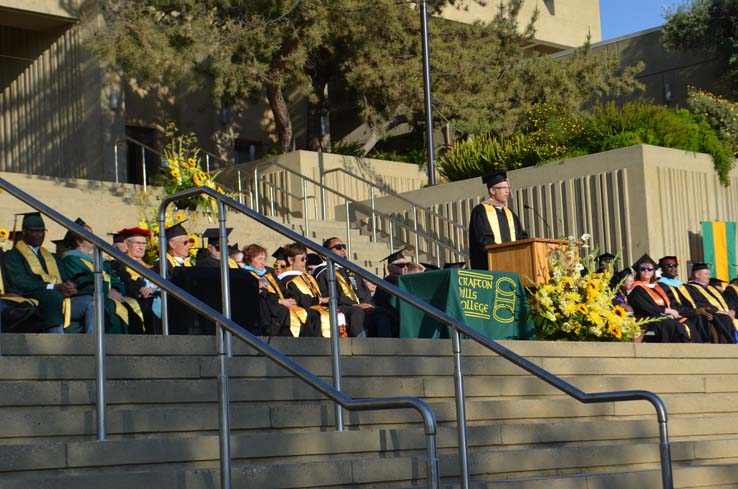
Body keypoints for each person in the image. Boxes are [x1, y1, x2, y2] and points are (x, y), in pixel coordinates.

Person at [3, 212, 94, 334]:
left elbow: (64, 278)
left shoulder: (51, 257)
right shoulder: (13, 256)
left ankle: (94, 347)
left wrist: (69, 286)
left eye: (42, 231)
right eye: (35, 231)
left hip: (61, 300)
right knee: (52, 296)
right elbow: (21, 283)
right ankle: (56, 341)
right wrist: (53, 287)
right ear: (24, 231)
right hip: (31, 301)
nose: (39, 235)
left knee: (91, 302)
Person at [62, 218, 143, 334]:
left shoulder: (99, 261)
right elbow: (83, 283)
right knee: (110, 309)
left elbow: (115, 280)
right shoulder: (71, 260)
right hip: (91, 297)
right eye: (87, 234)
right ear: (78, 241)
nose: (92, 237)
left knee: (133, 310)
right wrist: (107, 291)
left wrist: (115, 289)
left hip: (108, 297)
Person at [313, 237, 393, 337]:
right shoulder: (324, 272)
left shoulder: (350, 270)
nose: (343, 250)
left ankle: (385, 349)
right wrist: (355, 305)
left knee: (382, 315)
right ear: (326, 252)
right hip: (342, 307)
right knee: (357, 312)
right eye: (338, 247)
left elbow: (363, 291)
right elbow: (330, 296)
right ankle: (360, 347)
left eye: (344, 247)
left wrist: (368, 304)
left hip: (360, 307)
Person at [243, 243, 320, 337]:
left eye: (264, 259)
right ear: (249, 259)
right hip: (267, 309)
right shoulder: (245, 275)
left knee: (310, 314)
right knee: (284, 313)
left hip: (279, 305)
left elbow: (284, 290)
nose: (263, 262)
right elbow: (261, 295)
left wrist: (292, 298)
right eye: (259, 259)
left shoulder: (269, 275)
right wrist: (279, 301)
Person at [279, 242, 345, 337]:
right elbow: (297, 299)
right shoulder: (287, 279)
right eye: (302, 259)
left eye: (306, 258)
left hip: (315, 306)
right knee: (317, 316)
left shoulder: (308, 277)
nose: (305, 262)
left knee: (339, 312)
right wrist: (320, 300)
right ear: (290, 260)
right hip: (301, 309)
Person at [468, 172, 528, 270]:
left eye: (508, 188)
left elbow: (521, 236)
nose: (507, 191)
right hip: (489, 266)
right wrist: (503, 253)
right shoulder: (481, 211)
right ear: (492, 190)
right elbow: (483, 240)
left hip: (513, 263)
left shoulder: (509, 212)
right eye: (503, 188)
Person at [627, 254, 692, 343]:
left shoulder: (659, 286)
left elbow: (670, 302)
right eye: (643, 269)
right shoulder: (637, 288)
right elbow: (646, 307)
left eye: (650, 269)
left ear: (653, 271)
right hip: (649, 318)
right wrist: (666, 312)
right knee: (674, 326)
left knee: (689, 323)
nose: (647, 271)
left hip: (663, 316)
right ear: (638, 272)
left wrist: (673, 312)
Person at [111, 227, 162, 334]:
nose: (141, 247)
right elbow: (126, 284)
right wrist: (141, 288)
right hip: (137, 302)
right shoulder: (119, 265)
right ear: (126, 245)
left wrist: (152, 288)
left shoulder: (150, 267)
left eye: (144, 244)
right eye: (138, 243)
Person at [683, 262, 737, 343]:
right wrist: (718, 311)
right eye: (706, 274)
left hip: (727, 315)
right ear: (697, 275)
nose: (709, 277)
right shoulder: (689, 289)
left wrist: (732, 310)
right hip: (715, 316)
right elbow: (699, 303)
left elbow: (727, 301)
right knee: (724, 319)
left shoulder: (712, 288)